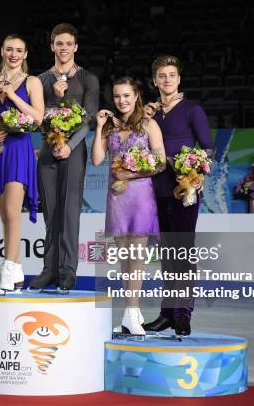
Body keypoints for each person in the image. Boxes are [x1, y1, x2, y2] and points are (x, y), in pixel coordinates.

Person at [142, 55, 212, 336]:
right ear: (155, 80)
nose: (167, 79)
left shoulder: (192, 109)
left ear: (179, 79)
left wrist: (192, 170)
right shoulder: (150, 113)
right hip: (155, 189)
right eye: (162, 75)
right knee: (166, 254)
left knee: (182, 252)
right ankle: (167, 313)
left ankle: (183, 313)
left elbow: (208, 148)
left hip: (185, 190)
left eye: (172, 74)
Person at [92, 77, 165, 336]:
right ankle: (129, 313)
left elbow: (160, 162)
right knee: (125, 259)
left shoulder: (149, 125)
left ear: (136, 96)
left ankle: (132, 312)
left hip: (141, 196)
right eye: (116, 96)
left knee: (137, 258)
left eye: (126, 95)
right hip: (117, 198)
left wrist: (130, 174)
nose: (121, 101)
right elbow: (98, 160)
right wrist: (100, 126)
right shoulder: (110, 128)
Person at [31, 23, 99, 292]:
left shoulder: (87, 79)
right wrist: (54, 103)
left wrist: (70, 145)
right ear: (52, 46)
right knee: (51, 212)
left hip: (74, 150)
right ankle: (49, 269)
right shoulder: (40, 80)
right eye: (59, 43)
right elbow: (36, 118)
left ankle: (68, 271)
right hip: (48, 150)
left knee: (70, 212)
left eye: (68, 43)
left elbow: (90, 118)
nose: (63, 48)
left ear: (75, 47)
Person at [0, 34, 44, 293]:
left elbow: (38, 118)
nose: (14, 54)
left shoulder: (32, 82)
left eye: (19, 50)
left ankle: (8, 270)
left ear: (25, 54)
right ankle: (15, 271)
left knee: (12, 211)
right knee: (3, 214)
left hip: (19, 148)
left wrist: (12, 95)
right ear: (2, 51)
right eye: (9, 49)